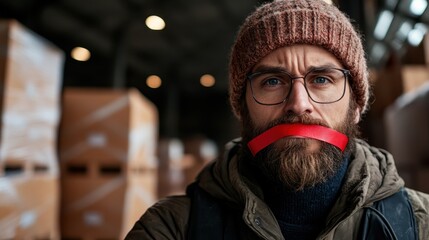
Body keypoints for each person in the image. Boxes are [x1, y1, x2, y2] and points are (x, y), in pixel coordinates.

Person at [126, 0, 429, 239]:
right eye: (272, 81)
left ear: (356, 105)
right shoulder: (170, 229)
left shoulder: (420, 224)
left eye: (321, 79)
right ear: (241, 107)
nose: (298, 105)